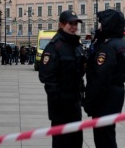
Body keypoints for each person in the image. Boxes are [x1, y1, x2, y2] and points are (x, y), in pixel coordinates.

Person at [84, 9, 125, 148]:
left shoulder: (107, 47)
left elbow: (100, 78)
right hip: (115, 95)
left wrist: (90, 102)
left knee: (103, 138)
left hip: (105, 98)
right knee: (108, 134)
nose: (99, 27)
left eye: (101, 23)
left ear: (108, 24)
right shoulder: (121, 43)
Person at [38, 10, 86, 148]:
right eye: (70, 23)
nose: (74, 27)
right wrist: (58, 97)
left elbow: (80, 73)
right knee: (61, 143)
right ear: (61, 24)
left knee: (76, 141)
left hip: (75, 104)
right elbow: (46, 76)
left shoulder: (77, 46)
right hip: (60, 107)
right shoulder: (54, 46)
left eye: (76, 23)